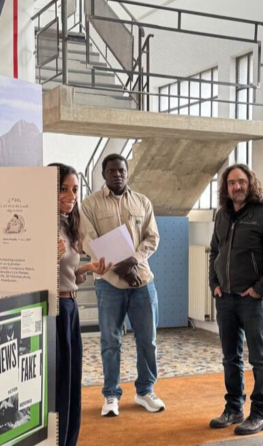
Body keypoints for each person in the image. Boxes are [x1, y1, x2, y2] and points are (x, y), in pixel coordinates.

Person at [81, 153, 164, 417]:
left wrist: (133, 261)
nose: (117, 175)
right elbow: (89, 241)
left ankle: (145, 391)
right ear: (104, 174)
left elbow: (152, 238)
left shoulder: (142, 202)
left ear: (127, 173)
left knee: (147, 340)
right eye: (112, 171)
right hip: (108, 283)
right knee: (110, 341)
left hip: (143, 281)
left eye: (122, 171)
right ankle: (111, 395)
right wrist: (122, 269)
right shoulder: (90, 204)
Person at [208, 164, 263, 436]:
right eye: (231, 183)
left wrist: (260, 289)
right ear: (226, 187)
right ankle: (233, 409)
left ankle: (260, 414)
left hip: (253, 300)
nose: (237, 187)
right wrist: (214, 283)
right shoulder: (222, 213)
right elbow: (215, 251)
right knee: (230, 357)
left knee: (260, 359)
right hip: (225, 299)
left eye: (241, 181)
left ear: (250, 183)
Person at [49, 163, 111, 446]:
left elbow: (69, 274)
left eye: (74, 189)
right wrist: (48, 255)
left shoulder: (69, 224)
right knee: (59, 384)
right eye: (63, 189)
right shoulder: (43, 224)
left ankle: (69, 441)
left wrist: (89, 268)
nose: (71, 196)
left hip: (71, 309)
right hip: (54, 311)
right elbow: (32, 275)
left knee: (73, 382)